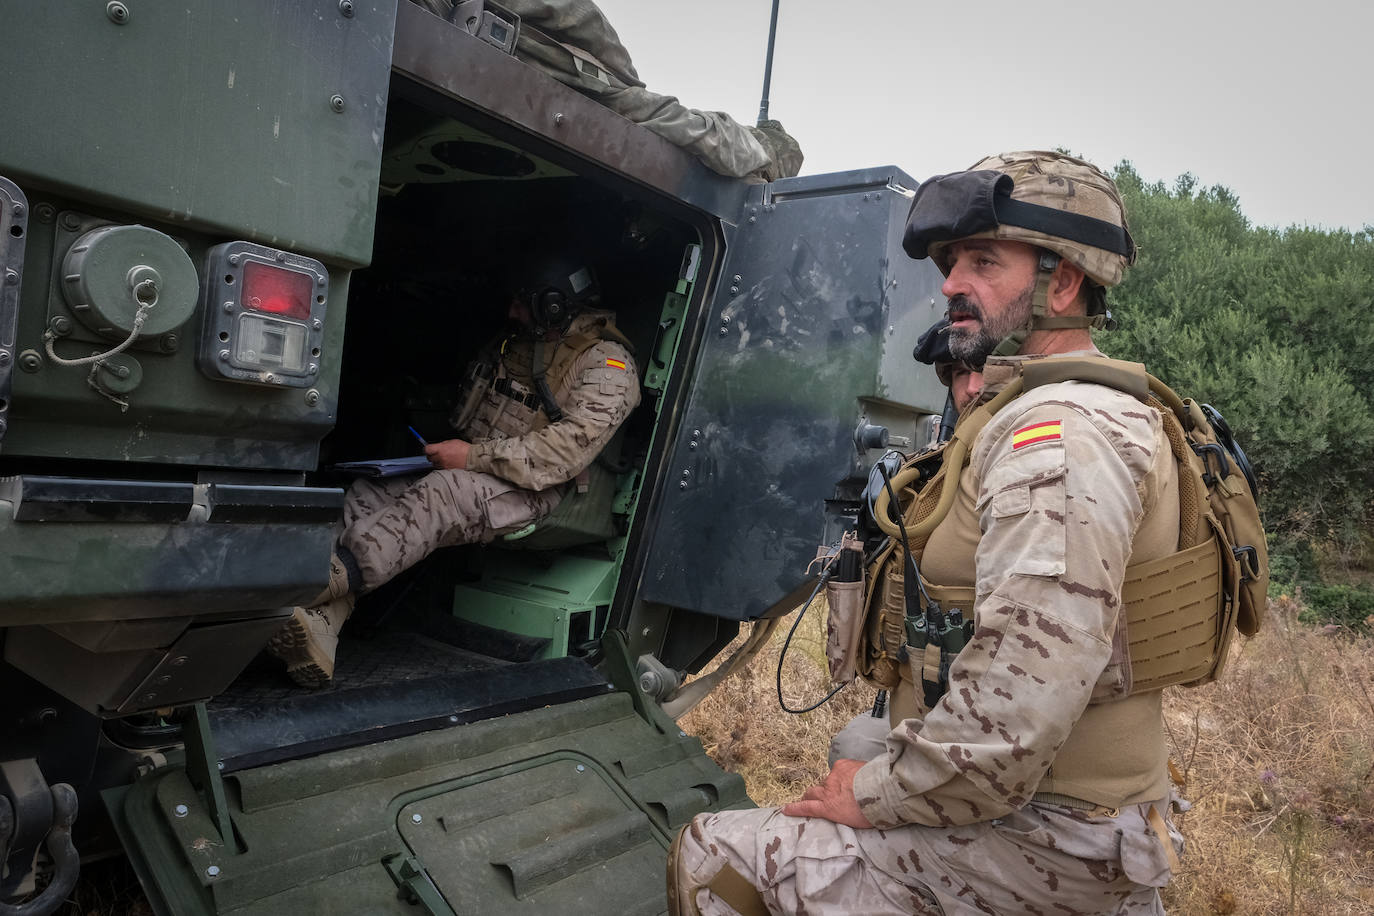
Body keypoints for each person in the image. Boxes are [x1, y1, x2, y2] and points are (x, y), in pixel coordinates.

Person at [668, 151, 1188, 915]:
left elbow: (1015, 715)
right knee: (857, 745)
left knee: (711, 854)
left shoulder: (1057, 439)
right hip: (1057, 805)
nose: (950, 285)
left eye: (984, 261)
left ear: (1063, 283)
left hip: (1050, 831)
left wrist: (872, 796)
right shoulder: (1049, 415)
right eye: (951, 264)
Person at [268, 258, 640, 688]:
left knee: (442, 494)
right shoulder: (517, 344)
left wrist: (472, 457)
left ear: (553, 304)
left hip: (540, 493)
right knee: (370, 491)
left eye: (522, 303)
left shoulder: (609, 365)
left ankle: (312, 585)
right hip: (479, 468)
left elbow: (563, 454)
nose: (512, 312)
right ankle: (322, 626)